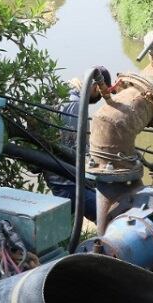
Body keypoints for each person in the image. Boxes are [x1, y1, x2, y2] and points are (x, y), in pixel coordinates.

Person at [43, 67, 110, 221]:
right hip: (67, 182)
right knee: (108, 216)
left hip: (59, 176)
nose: (99, 97)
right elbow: (73, 147)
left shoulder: (63, 94)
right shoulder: (76, 105)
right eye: (100, 92)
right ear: (94, 87)